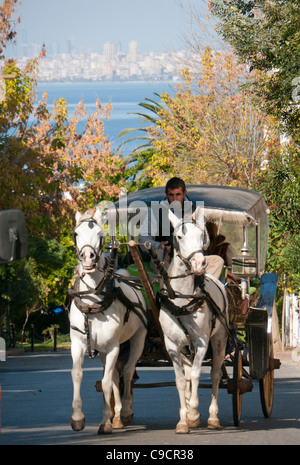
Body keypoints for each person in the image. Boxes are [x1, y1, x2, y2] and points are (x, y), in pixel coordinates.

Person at [138, 177, 224, 279]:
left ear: (184, 193)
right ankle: (167, 290)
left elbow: (205, 244)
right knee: (159, 255)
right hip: (167, 257)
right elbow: (143, 239)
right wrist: (158, 245)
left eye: (178, 194)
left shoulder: (196, 210)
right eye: (171, 195)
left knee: (218, 261)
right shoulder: (155, 211)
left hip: (192, 256)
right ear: (166, 194)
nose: (175, 199)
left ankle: (201, 290)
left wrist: (197, 238)